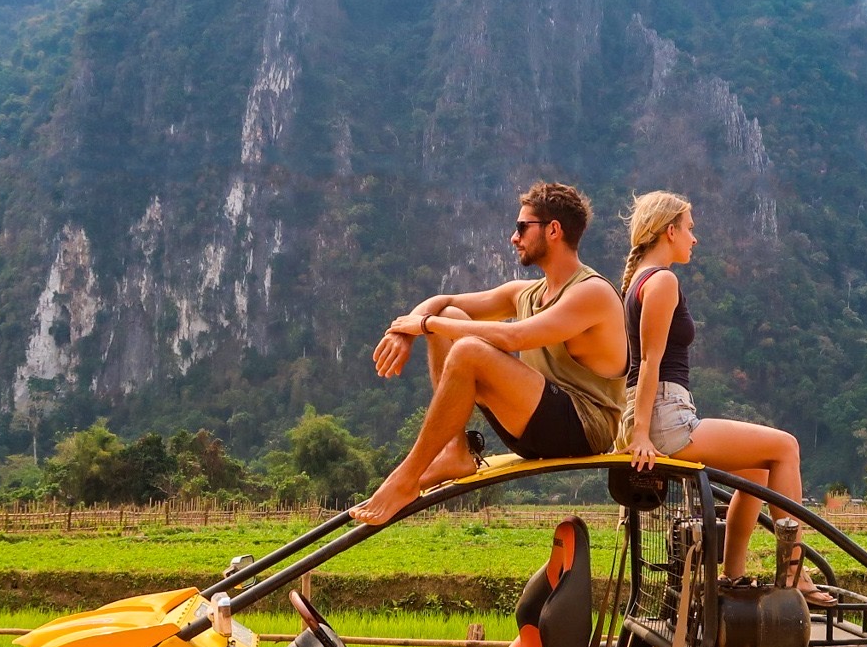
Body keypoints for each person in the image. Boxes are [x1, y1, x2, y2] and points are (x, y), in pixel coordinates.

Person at [351, 182, 627, 524]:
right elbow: (445, 303)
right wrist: (403, 331)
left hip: (586, 428)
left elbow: (513, 337)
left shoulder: (592, 292)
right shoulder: (525, 293)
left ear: (554, 230)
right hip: (537, 422)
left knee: (466, 347)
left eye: (522, 227)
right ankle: (455, 451)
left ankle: (405, 478)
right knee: (449, 320)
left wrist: (423, 324)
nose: (514, 237)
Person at [621, 191, 831, 600]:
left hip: (663, 411)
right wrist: (641, 433)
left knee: (756, 469)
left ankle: (732, 574)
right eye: (690, 229)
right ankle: (793, 573)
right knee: (786, 448)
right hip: (665, 416)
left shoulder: (639, 282)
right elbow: (648, 362)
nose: (694, 239)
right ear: (670, 231)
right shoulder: (662, 280)